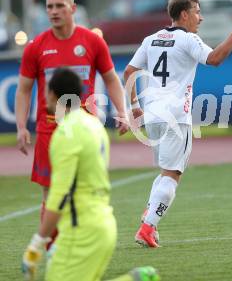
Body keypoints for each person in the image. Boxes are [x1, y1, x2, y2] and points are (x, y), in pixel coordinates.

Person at [124, 0, 232, 248]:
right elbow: (215, 59)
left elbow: (129, 72)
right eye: (197, 11)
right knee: (173, 174)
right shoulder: (188, 39)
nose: (201, 17)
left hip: (152, 114)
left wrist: (135, 107)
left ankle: (149, 213)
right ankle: (147, 227)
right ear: (183, 15)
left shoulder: (151, 40)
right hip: (176, 116)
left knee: (164, 172)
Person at [15, 0, 128, 246]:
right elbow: (23, 90)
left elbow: (111, 79)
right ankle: (54, 248)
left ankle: (84, 241)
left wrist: (122, 112)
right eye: (49, 7)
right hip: (49, 130)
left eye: (59, 6)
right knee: (51, 192)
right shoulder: (36, 47)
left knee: (88, 188)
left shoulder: (92, 41)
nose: (53, 12)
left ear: (73, 8)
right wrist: (22, 126)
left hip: (85, 130)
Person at [21, 68, 158, 281]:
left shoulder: (65, 133)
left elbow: (59, 195)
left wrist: (37, 244)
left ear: (53, 95)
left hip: (81, 231)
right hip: (103, 223)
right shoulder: (94, 125)